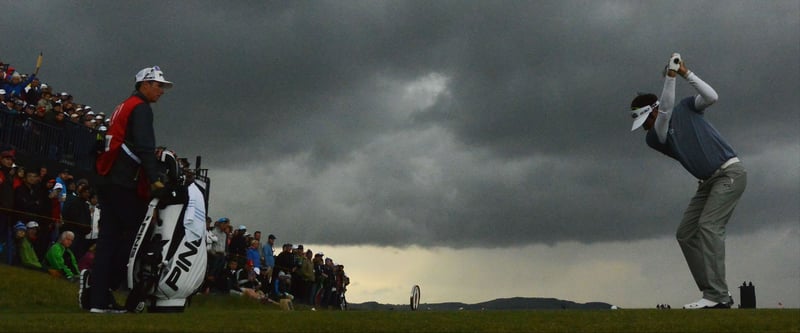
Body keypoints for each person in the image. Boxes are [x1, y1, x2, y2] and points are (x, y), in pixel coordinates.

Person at [629, 54, 746, 310]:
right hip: (707, 183)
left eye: (645, 120)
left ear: (652, 111)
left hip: (730, 173)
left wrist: (685, 73)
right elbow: (665, 113)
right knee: (685, 234)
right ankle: (712, 293)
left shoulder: (686, 107)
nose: (645, 127)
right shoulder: (654, 138)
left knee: (708, 227)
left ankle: (718, 296)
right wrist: (671, 77)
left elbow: (712, 97)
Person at [87, 66, 173, 314]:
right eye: (158, 85)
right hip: (123, 182)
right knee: (135, 237)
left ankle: (98, 301)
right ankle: (114, 288)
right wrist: (155, 179)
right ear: (144, 84)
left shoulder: (123, 105)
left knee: (107, 241)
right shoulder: (141, 108)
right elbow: (146, 146)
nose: (161, 91)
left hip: (107, 178)